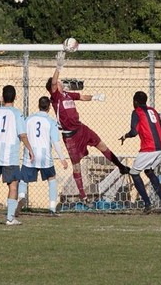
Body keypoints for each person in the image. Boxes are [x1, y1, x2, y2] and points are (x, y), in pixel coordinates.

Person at [46, 51, 130, 207]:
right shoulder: (56, 96)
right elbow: (53, 83)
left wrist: (96, 97)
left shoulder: (67, 95)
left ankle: (121, 167)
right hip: (70, 136)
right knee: (76, 166)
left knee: (102, 145)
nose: (61, 83)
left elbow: (82, 97)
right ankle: (83, 197)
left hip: (81, 129)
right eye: (58, 82)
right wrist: (58, 67)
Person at [0, 85, 34, 225]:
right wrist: (30, 149)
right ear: (16, 97)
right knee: (13, 185)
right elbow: (22, 135)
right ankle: (10, 218)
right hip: (9, 155)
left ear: (2, 97)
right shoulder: (17, 113)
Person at [17, 96, 68, 217]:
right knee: (52, 179)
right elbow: (55, 142)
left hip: (30, 154)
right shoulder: (51, 121)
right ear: (49, 107)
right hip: (45, 156)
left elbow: (22, 135)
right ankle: (52, 208)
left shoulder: (28, 119)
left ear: (38, 105)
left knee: (23, 179)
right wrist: (62, 158)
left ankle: (21, 197)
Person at [119, 91, 161, 214]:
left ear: (135, 101)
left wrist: (125, 136)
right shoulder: (154, 111)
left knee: (134, 173)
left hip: (149, 148)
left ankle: (147, 204)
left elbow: (134, 132)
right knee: (149, 171)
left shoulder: (136, 112)